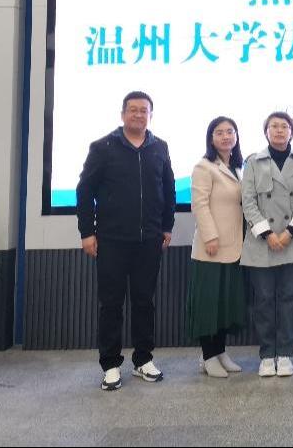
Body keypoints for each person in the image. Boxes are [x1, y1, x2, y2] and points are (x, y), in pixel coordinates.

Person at [76, 91, 176, 391]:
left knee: (145, 302)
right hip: (111, 241)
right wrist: (87, 232)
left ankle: (143, 359)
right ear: (122, 114)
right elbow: (84, 191)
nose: (138, 115)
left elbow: (169, 189)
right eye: (133, 110)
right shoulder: (103, 147)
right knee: (111, 304)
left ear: (150, 115)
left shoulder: (159, 147)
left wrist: (167, 226)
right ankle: (110, 364)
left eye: (144, 110)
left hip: (150, 240)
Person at [240, 111, 293, 378]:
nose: (280, 130)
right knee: (263, 301)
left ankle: (285, 354)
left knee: (288, 300)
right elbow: (248, 201)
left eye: (284, 126)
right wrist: (267, 234)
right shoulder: (253, 162)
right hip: (262, 243)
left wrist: (289, 233)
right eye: (274, 126)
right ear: (266, 132)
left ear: (291, 132)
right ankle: (266, 355)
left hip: (292, 242)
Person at [186, 116, 246, 379]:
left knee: (224, 304)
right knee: (208, 304)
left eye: (230, 131)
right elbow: (199, 205)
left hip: (234, 246)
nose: (225, 136)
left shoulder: (238, 167)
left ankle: (220, 351)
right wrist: (210, 237)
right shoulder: (204, 167)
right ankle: (208, 356)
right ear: (211, 138)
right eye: (219, 132)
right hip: (211, 247)